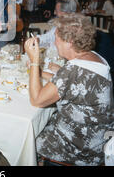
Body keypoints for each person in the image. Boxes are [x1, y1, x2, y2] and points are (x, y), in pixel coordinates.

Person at [25, 14, 114, 166]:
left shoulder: (73, 71)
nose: (54, 42)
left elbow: (37, 99)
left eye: (57, 38)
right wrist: (39, 72)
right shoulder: (94, 57)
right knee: (44, 118)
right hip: (98, 137)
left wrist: (34, 61)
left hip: (79, 147)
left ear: (70, 42)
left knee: (28, 137)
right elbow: (71, 80)